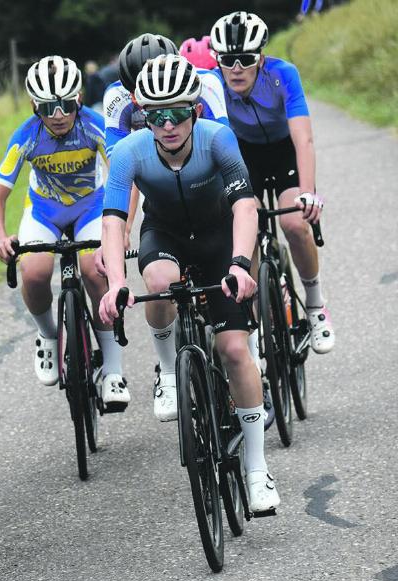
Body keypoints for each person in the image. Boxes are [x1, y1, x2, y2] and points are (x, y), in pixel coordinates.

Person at [99, 55, 280, 513]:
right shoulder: (129, 152)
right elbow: (115, 219)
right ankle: (169, 374)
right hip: (167, 235)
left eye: (178, 113)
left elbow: (244, 206)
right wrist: (116, 282)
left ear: (194, 109)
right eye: (157, 116)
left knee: (236, 350)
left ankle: (258, 470)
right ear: (145, 115)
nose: (168, 125)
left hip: (220, 238)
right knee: (156, 278)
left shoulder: (218, 139)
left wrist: (240, 264)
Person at [0, 55, 130, 409]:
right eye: (49, 108)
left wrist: (120, 228)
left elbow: (122, 172)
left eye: (66, 104)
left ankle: (113, 370)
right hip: (44, 212)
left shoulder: (95, 125)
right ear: (35, 106)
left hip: (91, 207)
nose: (59, 114)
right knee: (34, 273)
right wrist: (0, 236)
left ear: (79, 97)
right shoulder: (26, 136)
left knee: (96, 273)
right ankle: (48, 335)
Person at [100, 33, 231, 418]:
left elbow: (227, 152)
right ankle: (167, 370)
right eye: (141, 93)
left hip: (209, 190)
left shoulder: (206, 84)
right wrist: (117, 237)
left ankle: (251, 346)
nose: (154, 103)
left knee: (242, 243)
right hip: (162, 198)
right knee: (158, 283)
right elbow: (122, 176)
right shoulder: (117, 98)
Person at [210, 11, 334, 354]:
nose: (236, 67)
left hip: (282, 151)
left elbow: (303, 139)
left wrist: (308, 192)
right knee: (245, 235)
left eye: (245, 59)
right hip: (243, 154)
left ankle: (314, 303)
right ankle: (250, 335)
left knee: (294, 223)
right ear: (217, 59)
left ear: (260, 58)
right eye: (227, 59)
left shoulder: (283, 75)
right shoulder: (211, 82)